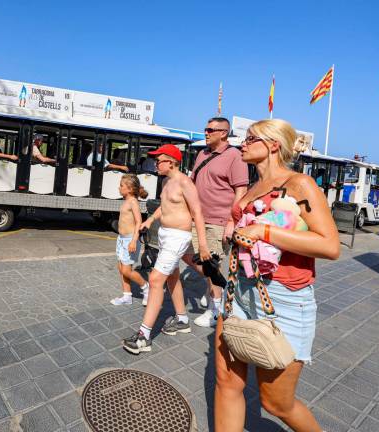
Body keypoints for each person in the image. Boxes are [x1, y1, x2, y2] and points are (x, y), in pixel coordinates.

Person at [214, 119, 339, 431]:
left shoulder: (299, 184)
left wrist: (263, 230)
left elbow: (329, 245)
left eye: (250, 138)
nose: (242, 143)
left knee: (276, 403)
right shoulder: (252, 186)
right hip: (237, 291)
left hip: (283, 298)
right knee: (226, 384)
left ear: (272, 145)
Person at [123, 144, 209, 354]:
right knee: (172, 276)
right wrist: (150, 220)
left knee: (155, 279)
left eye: (158, 160)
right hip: (165, 234)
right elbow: (166, 206)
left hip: (178, 236)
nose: (155, 164)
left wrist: (203, 244)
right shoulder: (166, 181)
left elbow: (197, 212)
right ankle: (182, 319)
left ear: (171, 162)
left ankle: (144, 337)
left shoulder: (185, 182)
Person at [183, 117, 249, 328]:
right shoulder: (202, 153)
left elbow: (241, 191)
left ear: (224, 133)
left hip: (218, 219)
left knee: (211, 264)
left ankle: (216, 309)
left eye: (211, 130)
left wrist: (232, 221)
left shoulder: (235, 156)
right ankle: (217, 287)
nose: (206, 132)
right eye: (205, 128)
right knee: (187, 255)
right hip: (197, 218)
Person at [110, 174, 150, 306]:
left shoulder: (133, 202)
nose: (119, 187)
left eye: (122, 186)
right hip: (121, 239)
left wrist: (134, 241)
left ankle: (146, 287)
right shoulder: (126, 200)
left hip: (129, 240)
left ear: (130, 189)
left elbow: (139, 222)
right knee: (121, 267)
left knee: (127, 270)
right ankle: (127, 296)